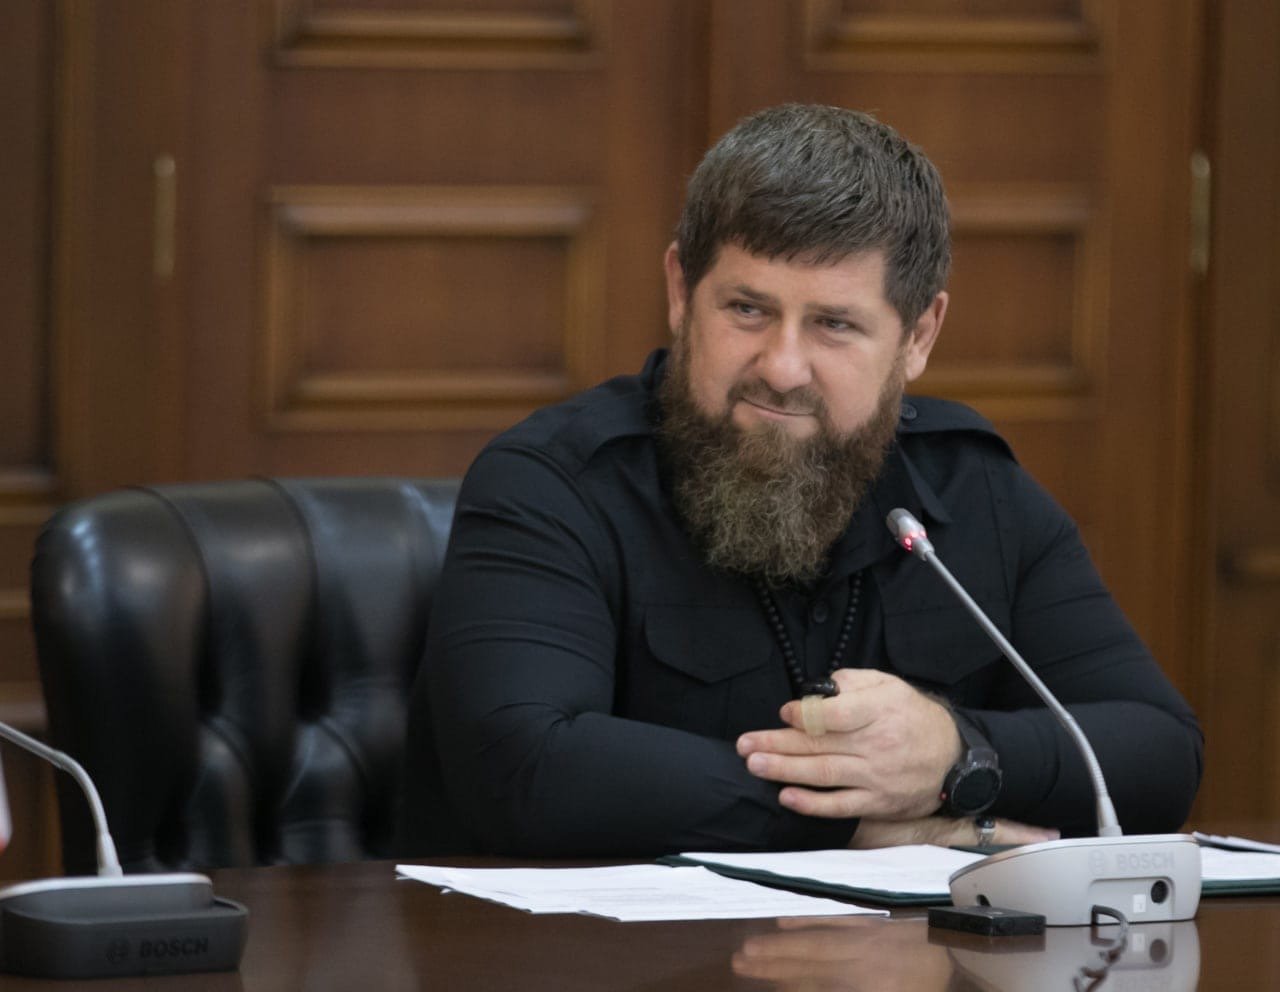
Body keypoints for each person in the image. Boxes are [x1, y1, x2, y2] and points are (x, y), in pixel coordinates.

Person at [398, 104, 1202, 857]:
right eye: (747, 310)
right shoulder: (553, 485)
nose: (782, 368)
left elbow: (1160, 753)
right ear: (681, 291)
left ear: (919, 336)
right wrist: (857, 819)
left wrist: (956, 753)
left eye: (834, 324)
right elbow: (523, 765)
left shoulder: (973, 492)